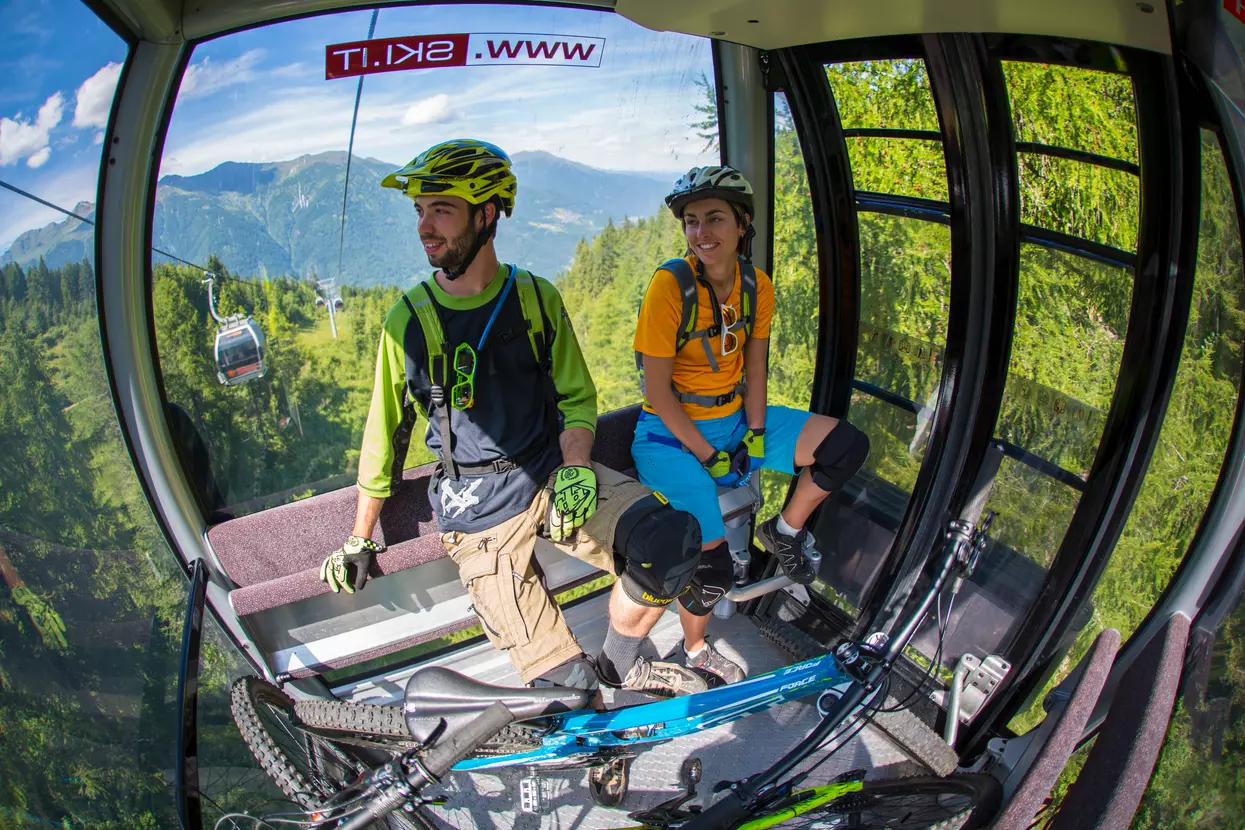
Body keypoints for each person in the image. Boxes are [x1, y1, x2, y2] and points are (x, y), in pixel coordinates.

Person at [318, 139, 708, 699]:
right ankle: (592, 703)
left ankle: (620, 670)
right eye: (420, 211)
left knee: (669, 541)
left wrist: (575, 466)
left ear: (487, 213)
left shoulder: (534, 298)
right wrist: (360, 538)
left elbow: (576, 397)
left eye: (441, 210)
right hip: (476, 518)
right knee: (565, 693)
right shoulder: (408, 321)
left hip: (551, 478)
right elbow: (385, 435)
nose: (425, 227)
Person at [631, 165, 871, 684]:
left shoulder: (756, 287)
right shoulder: (669, 287)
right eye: (691, 222)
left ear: (743, 224)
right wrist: (710, 456)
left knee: (845, 446)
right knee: (712, 568)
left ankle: (784, 530)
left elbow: (755, 365)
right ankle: (695, 651)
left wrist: (756, 435)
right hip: (669, 439)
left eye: (714, 219)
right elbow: (657, 394)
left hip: (734, 419)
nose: (701, 233)